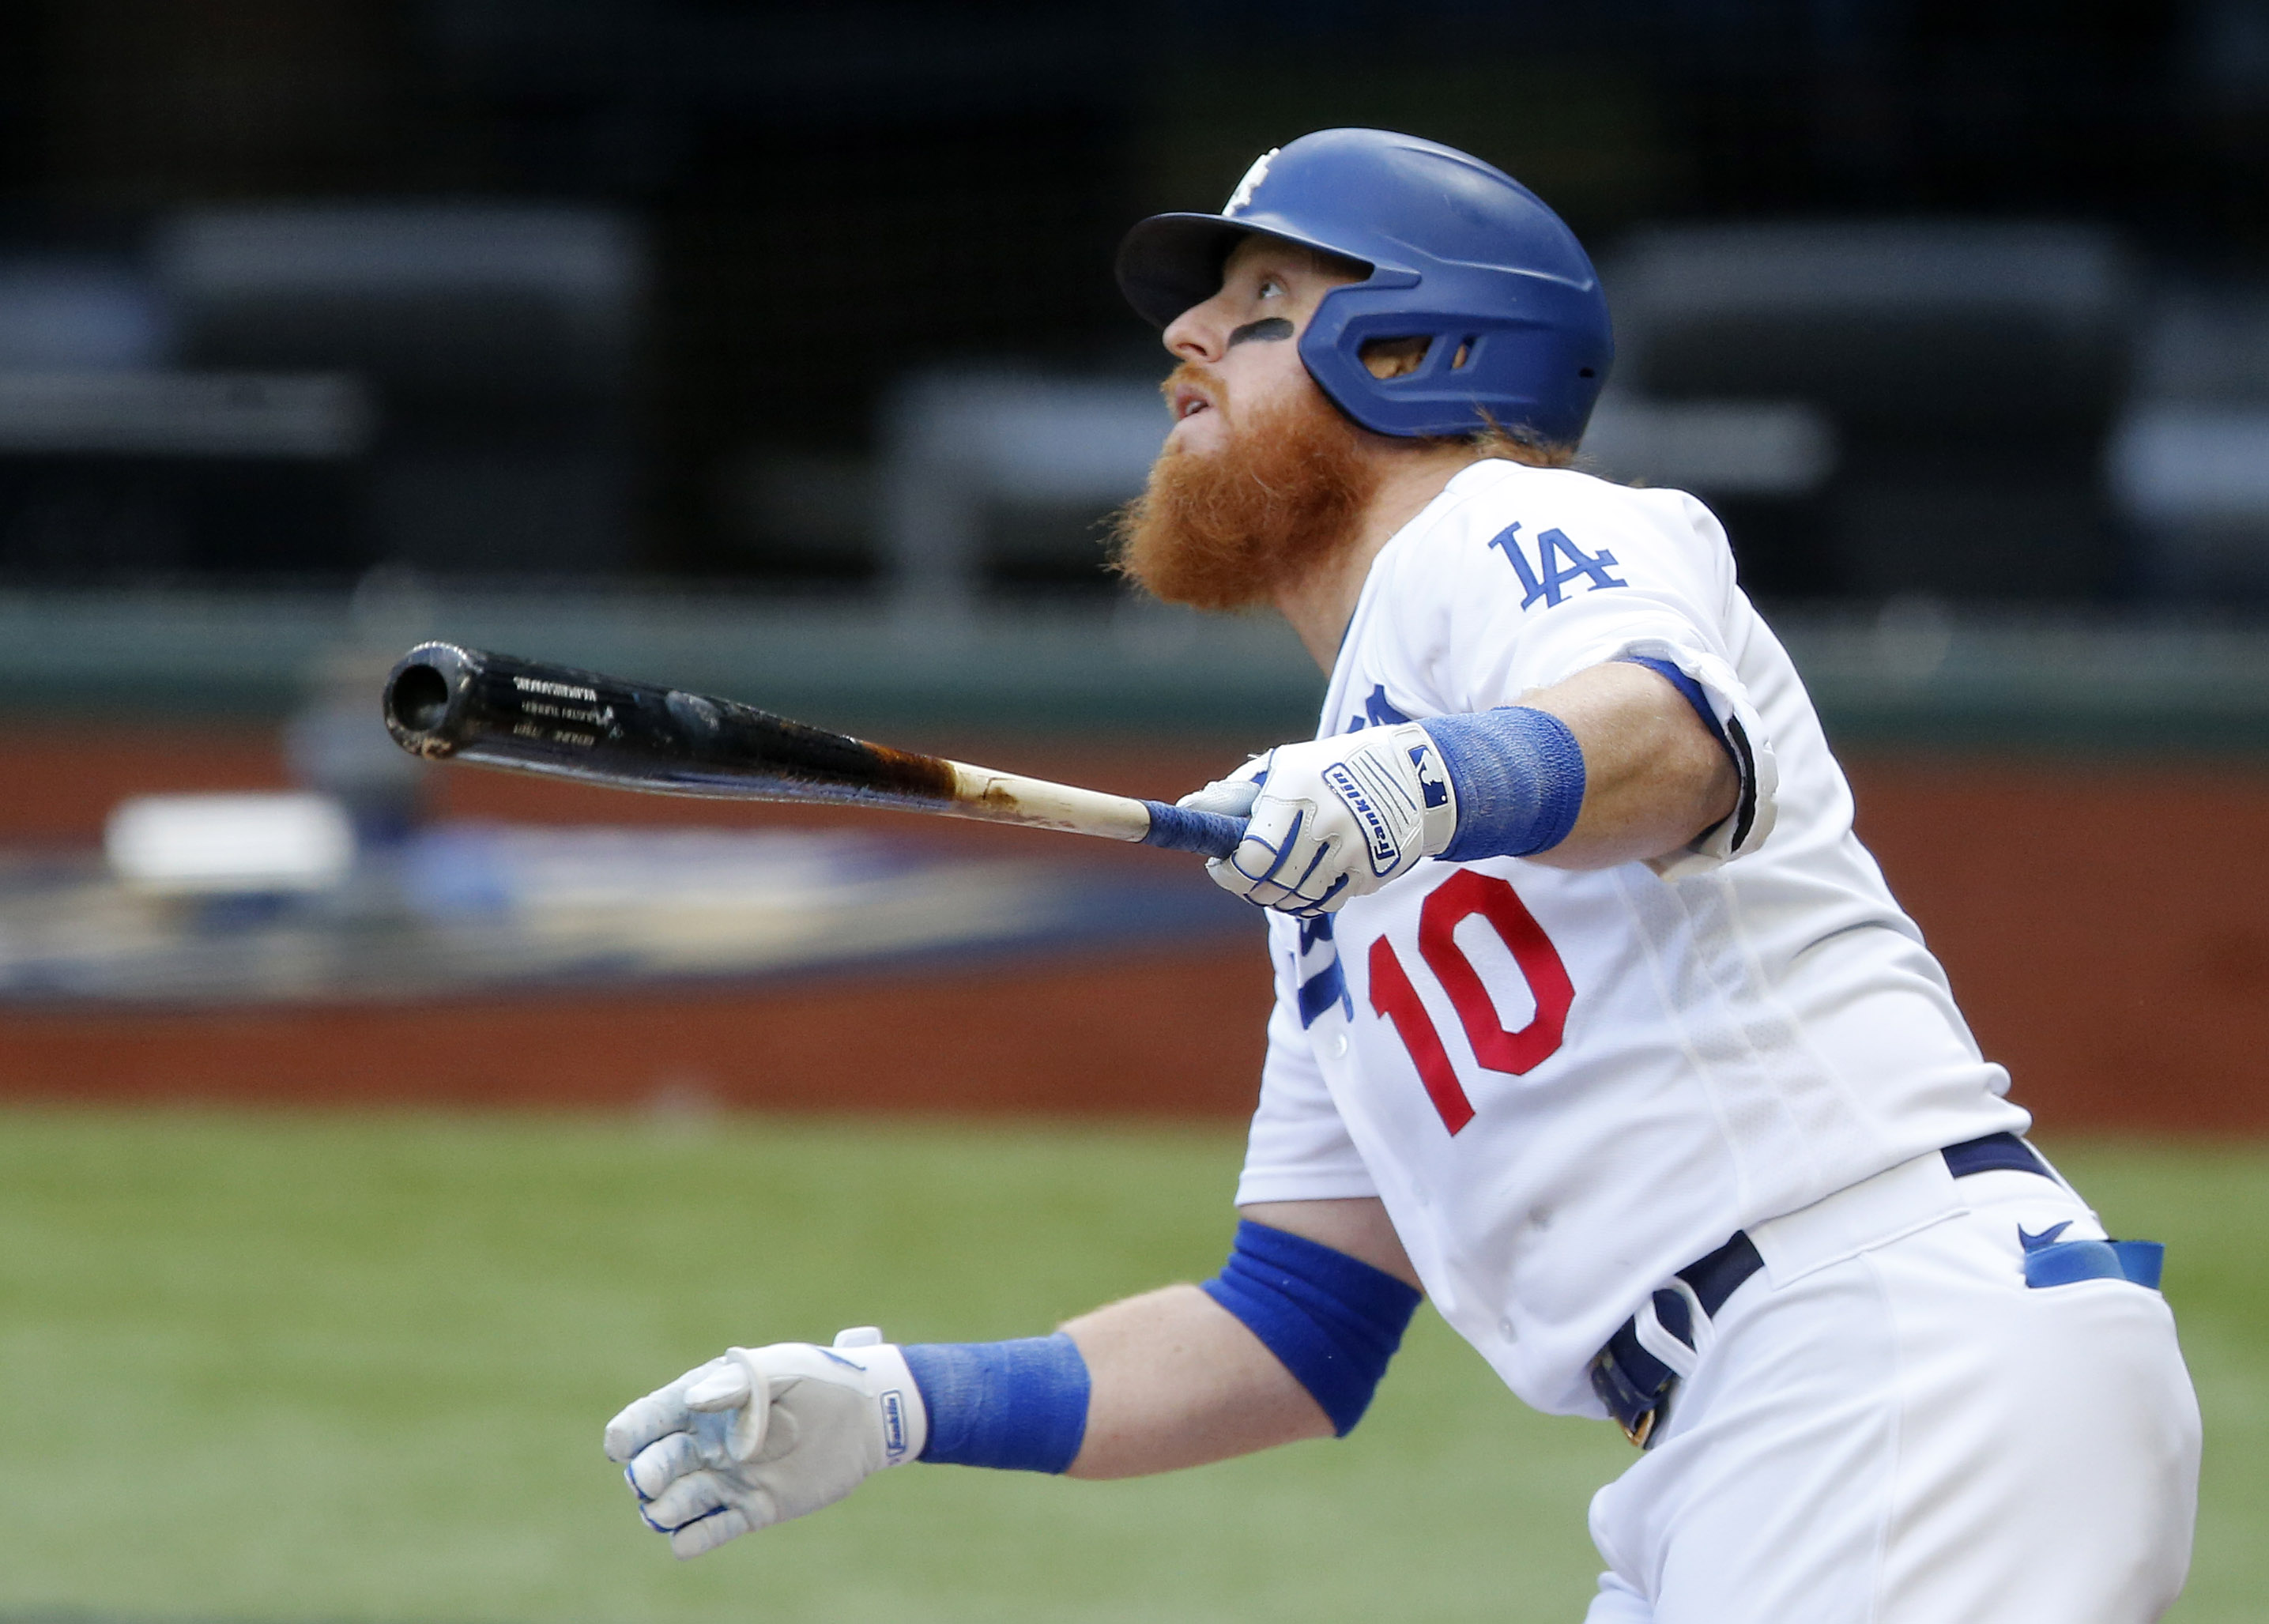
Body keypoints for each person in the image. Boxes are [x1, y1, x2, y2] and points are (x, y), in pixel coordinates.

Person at [602, 129, 2200, 1622]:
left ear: (1421, 348)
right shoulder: (1339, 859)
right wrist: (897, 1399)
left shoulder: (1507, 530)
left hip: (1880, 1359)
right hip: (1755, 1425)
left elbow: (1669, 736)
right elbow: (1287, 1332)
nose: (1185, 342)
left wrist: (1412, 783)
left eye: (1261, 304)